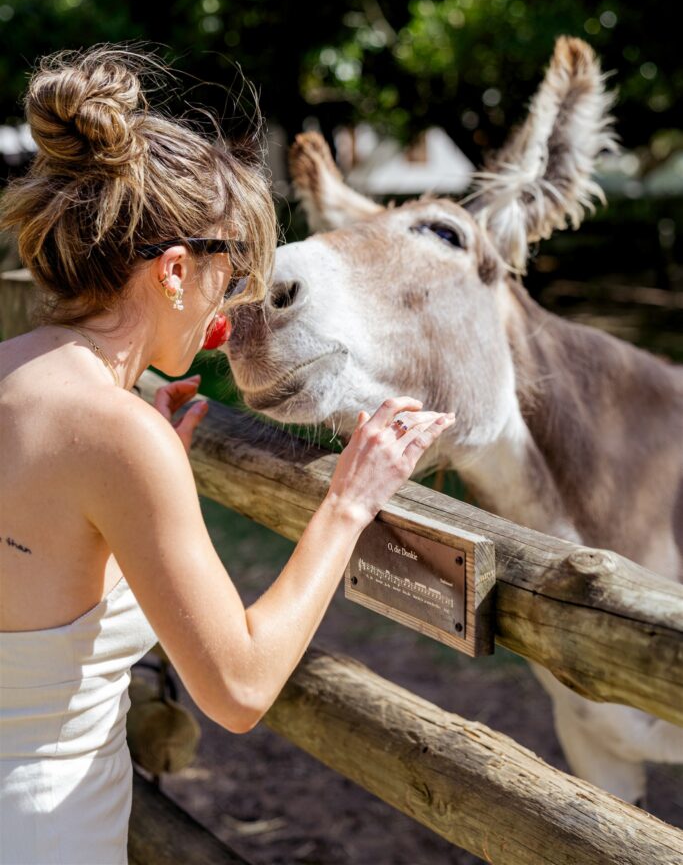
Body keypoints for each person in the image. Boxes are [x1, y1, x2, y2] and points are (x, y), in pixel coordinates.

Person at [0, 46, 455, 864]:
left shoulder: (25, 381)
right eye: (232, 266)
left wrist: (130, 484)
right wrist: (348, 502)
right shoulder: (116, 433)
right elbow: (238, 689)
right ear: (174, 271)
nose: (241, 293)